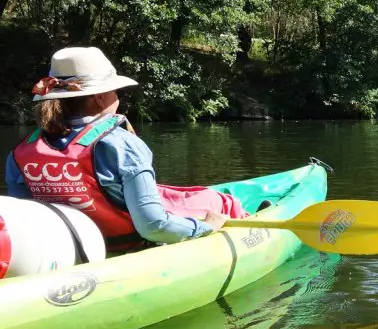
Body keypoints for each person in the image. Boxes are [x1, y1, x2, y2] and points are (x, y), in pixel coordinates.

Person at [5, 46, 248, 253]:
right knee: (219, 202)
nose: (117, 96)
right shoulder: (122, 145)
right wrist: (206, 227)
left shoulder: (21, 153)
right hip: (128, 247)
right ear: (100, 98)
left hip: (71, 250)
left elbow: (27, 222)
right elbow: (152, 226)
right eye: (114, 90)